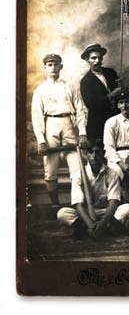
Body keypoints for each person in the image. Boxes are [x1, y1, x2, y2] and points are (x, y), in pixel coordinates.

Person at [31, 53, 88, 209]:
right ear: (45, 67)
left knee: (77, 169)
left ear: (61, 66)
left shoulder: (71, 86)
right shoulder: (40, 90)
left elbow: (81, 109)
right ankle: (55, 204)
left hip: (68, 123)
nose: (53, 67)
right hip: (50, 124)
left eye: (56, 64)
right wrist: (42, 141)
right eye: (49, 65)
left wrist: (82, 132)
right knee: (50, 169)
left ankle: (78, 203)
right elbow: (37, 117)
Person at [57, 139, 123, 240]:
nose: (94, 156)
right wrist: (90, 224)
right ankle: (92, 227)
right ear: (86, 155)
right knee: (62, 214)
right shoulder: (78, 175)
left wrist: (103, 222)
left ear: (103, 154)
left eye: (97, 152)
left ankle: (97, 227)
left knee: (128, 209)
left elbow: (113, 201)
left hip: (105, 211)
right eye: (91, 152)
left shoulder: (112, 173)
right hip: (86, 212)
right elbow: (77, 204)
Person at [80, 43, 122, 142]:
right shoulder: (85, 81)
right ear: (87, 60)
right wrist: (112, 95)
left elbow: (119, 94)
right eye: (93, 58)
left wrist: (121, 89)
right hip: (98, 123)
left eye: (100, 58)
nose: (97, 61)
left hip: (116, 118)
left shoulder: (111, 72)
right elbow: (92, 105)